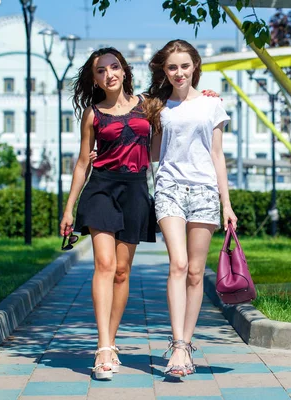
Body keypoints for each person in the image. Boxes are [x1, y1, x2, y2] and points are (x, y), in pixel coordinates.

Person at [143, 39, 238, 378]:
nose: (179, 72)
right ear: (164, 71)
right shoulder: (157, 106)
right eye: (172, 67)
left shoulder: (212, 105)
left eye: (185, 66)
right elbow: (153, 154)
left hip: (204, 191)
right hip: (169, 189)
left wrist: (226, 204)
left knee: (196, 272)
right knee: (179, 264)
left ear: (195, 66)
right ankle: (177, 345)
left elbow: (217, 155)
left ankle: (186, 345)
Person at [60, 47, 155, 381]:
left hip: (135, 191)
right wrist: (69, 208)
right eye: (101, 71)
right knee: (105, 264)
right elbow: (83, 162)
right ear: (95, 79)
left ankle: (111, 343)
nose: (109, 74)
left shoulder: (148, 105)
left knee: (122, 272)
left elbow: (181, 98)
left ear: (125, 71)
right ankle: (102, 348)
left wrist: (207, 94)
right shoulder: (93, 114)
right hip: (101, 189)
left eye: (114, 67)